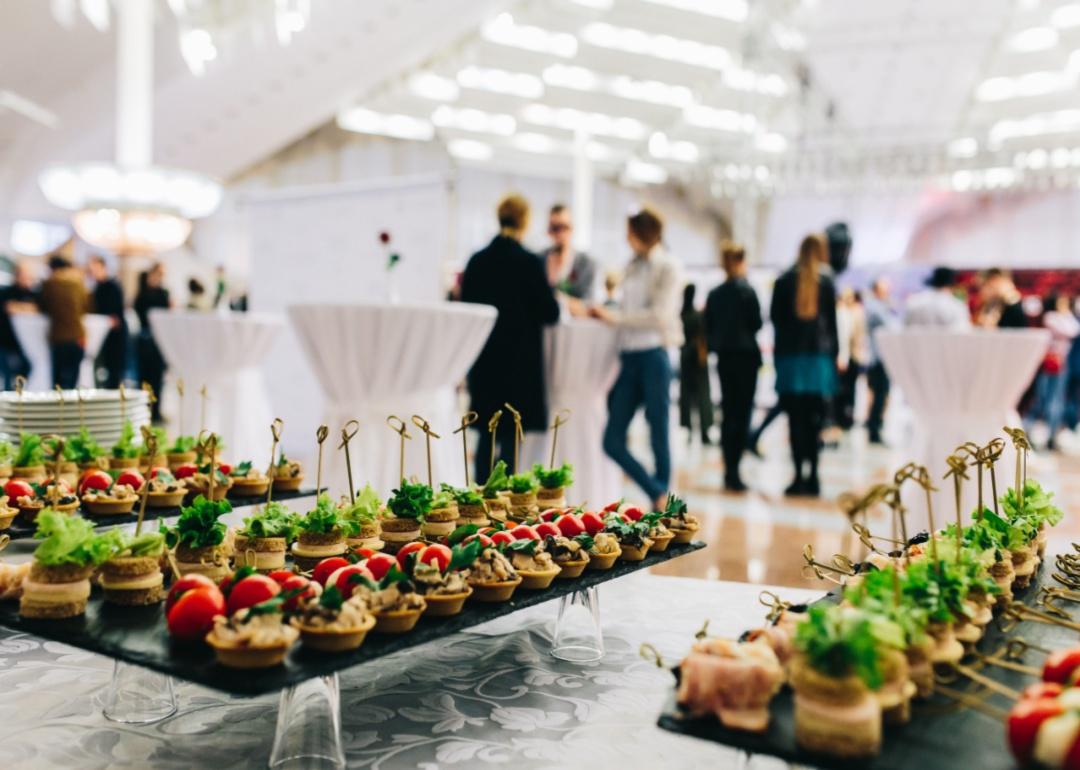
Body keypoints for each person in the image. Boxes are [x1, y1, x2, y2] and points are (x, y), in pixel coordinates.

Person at [461, 194, 560, 483]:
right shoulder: (529, 262)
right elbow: (550, 312)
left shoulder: (477, 261)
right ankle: (504, 510)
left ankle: (476, 501)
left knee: (485, 436)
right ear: (525, 221)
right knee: (510, 439)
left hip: (485, 361)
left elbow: (467, 309)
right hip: (519, 364)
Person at [592, 208, 683, 509]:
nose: (626, 237)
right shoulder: (630, 267)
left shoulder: (667, 267)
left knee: (658, 428)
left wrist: (615, 318)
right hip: (629, 357)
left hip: (654, 355)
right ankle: (657, 490)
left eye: (630, 231)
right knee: (612, 440)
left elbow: (660, 315)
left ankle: (661, 499)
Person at [770, 233, 838, 497]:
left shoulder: (784, 280)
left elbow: (775, 322)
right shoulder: (827, 280)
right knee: (815, 421)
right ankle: (815, 477)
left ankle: (798, 476)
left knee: (795, 421)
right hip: (818, 362)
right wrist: (834, 359)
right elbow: (832, 326)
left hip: (791, 361)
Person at [704, 242, 762, 491]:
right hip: (746, 357)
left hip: (725, 358)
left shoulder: (715, 294)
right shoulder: (747, 291)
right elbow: (756, 323)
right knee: (742, 412)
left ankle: (729, 469)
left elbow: (708, 327)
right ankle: (735, 470)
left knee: (728, 412)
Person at [1026, 293, 1080, 450]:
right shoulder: (1051, 317)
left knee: (1057, 398)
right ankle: (1038, 430)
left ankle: (1051, 432)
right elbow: (1072, 330)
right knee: (1045, 398)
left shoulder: (1061, 317)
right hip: (1050, 364)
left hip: (1062, 364)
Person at [38, 255, 89, 389]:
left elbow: (43, 306)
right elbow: (87, 306)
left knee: (57, 380)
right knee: (73, 378)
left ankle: (58, 408)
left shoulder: (49, 285)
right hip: (78, 336)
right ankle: (71, 408)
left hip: (59, 337)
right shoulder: (78, 284)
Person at [133, 264, 171, 422]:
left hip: (159, 341)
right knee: (144, 377)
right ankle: (143, 410)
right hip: (145, 339)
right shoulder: (143, 294)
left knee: (158, 378)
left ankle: (156, 411)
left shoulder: (163, 293)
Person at [862, 277, 896, 445]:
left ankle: (875, 427)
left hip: (881, 357)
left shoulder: (879, 307)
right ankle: (874, 430)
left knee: (881, 395)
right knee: (879, 395)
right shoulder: (874, 307)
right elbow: (890, 327)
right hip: (877, 357)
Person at [678, 284, 713, 446]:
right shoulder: (699, 316)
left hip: (686, 358)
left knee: (687, 396)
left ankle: (690, 430)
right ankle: (704, 431)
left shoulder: (682, 315)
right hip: (698, 360)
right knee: (702, 396)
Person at [87, 255, 127, 388]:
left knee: (114, 369)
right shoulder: (97, 287)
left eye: (95, 268)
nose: (93, 272)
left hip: (115, 335)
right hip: (101, 333)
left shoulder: (113, 286)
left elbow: (116, 313)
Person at [542, 204, 597, 301]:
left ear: (572, 228)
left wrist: (555, 298)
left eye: (564, 227)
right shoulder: (539, 260)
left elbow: (588, 305)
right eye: (555, 228)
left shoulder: (586, 264)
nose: (560, 233)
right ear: (549, 230)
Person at [0, 261, 38, 389]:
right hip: (7, 341)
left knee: (26, 370)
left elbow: (38, 309)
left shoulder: (33, 294)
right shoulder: (7, 292)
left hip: (25, 344)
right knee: (7, 373)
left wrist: (20, 307)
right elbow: (9, 307)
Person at [834, 288, 867, 432]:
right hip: (850, 356)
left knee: (848, 389)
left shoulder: (851, 313)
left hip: (851, 356)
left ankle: (846, 418)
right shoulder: (847, 313)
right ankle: (845, 417)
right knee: (847, 389)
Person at [904, 267, 971, 329]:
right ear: (952, 286)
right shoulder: (957, 306)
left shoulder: (914, 302)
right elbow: (962, 334)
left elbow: (906, 328)